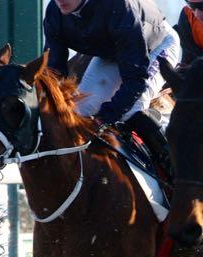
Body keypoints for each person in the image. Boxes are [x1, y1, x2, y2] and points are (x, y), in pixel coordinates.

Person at [44, 0, 181, 175]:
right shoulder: (54, 11)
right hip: (113, 53)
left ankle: (174, 167)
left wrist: (104, 118)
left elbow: (135, 81)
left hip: (157, 45)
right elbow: (54, 75)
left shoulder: (119, 6)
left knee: (132, 108)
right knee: (79, 111)